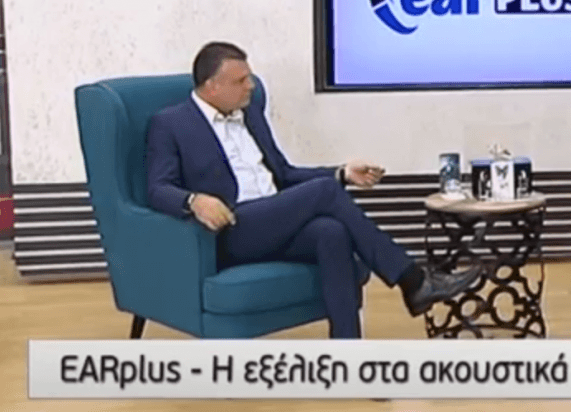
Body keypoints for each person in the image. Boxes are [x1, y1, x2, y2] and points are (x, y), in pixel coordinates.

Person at [146, 41, 482, 339]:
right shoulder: (171, 123)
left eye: (249, 78)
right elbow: (158, 188)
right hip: (231, 229)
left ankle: (346, 353)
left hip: (274, 218)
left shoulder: (250, 114)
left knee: (331, 232)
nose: (251, 86)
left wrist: (341, 173)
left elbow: (284, 174)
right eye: (241, 81)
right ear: (212, 86)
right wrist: (194, 201)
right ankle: (413, 280)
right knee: (324, 192)